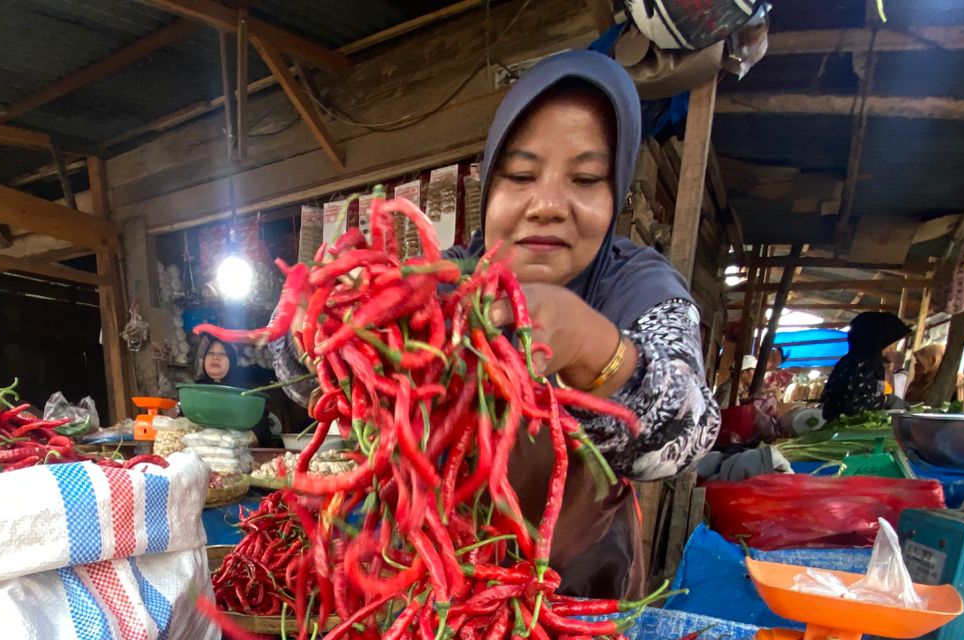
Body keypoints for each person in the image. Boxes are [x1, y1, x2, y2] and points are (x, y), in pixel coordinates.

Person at [277, 50, 718, 598]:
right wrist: (318, 325)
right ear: (489, 186)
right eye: (521, 175)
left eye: (585, 178)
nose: (548, 204)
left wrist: (591, 347)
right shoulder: (443, 282)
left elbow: (688, 436)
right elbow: (303, 379)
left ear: (616, 192)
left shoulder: (637, 285)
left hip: (577, 595)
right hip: (440, 584)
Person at [819, 311, 912, 421]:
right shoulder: (861, 365)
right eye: (889, 342)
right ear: (876, 339)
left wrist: (887, 398)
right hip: (846, 428)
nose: (892, 348)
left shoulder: (875, 366)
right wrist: (887, 401)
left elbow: (877, 391)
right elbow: (855, 408)